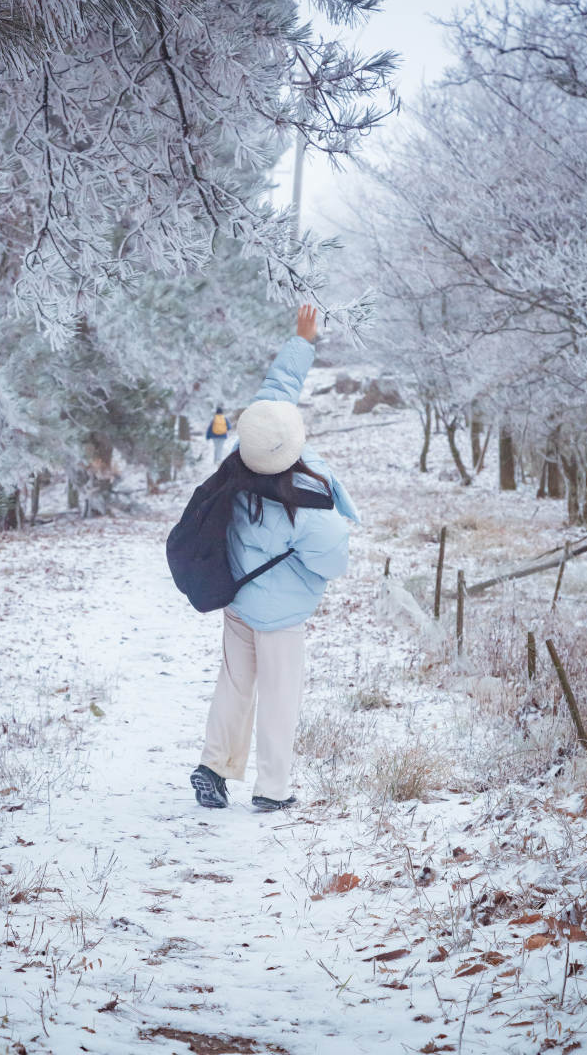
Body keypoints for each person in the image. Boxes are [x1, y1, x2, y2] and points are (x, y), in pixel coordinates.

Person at [190, 304, 360, 813]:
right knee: (280, 697)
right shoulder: (307, 507)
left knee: (235, 683)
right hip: (281, 617)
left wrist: (301, 342)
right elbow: (334, 563)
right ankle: (273, 789)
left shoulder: (246, 454)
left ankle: (212, 767)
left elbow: (276, 390)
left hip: (238, 600)